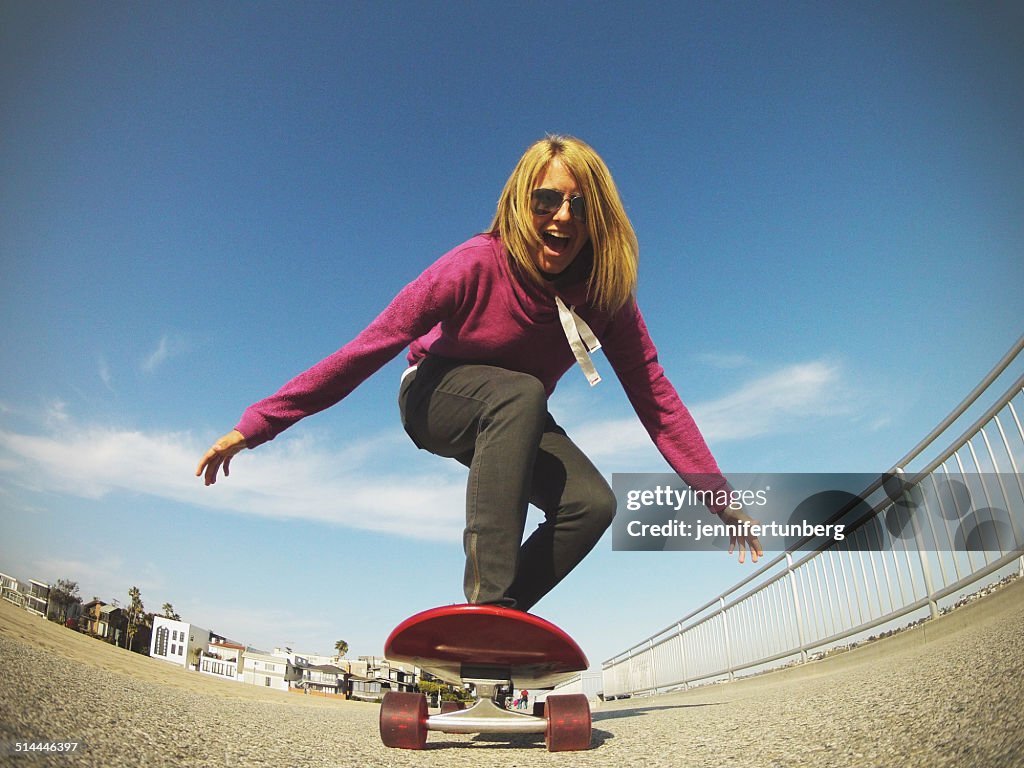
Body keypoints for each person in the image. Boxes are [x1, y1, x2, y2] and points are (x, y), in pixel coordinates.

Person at [196, 135, 762, 612]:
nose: (562, 217)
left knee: (591, 504)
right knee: (521, 393)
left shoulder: (605, 294)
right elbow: (368, 347)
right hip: (431, 395)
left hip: (513, 413)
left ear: (599, 221)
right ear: (521, 204)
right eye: (546, 201)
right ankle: (487, 606)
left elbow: (655, 395)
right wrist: (258, 424)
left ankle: (499, 628)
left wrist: (717, 495)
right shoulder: (474, 264)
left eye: (580, 206)